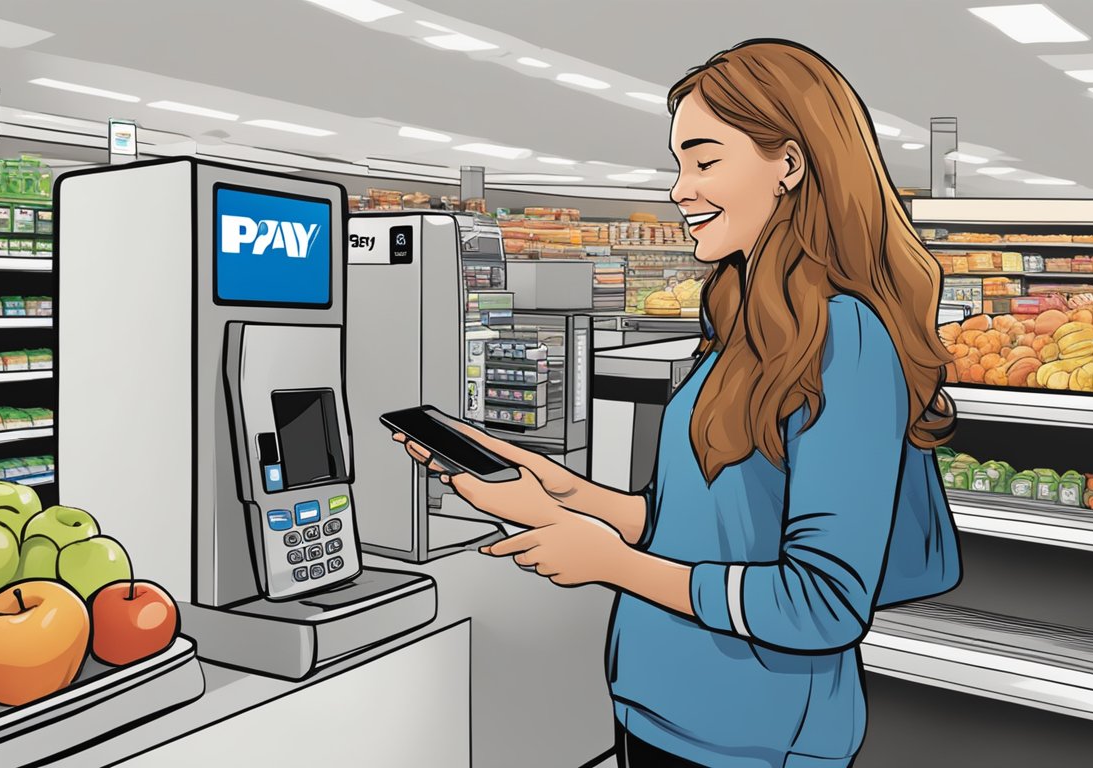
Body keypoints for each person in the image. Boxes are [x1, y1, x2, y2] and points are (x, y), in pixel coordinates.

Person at [394, 38, 961, 768]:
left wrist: (608, 563)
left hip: (756, 739)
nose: (679, 189)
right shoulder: (743, 324)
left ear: (789, 163)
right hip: (659, 708)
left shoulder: (845, 339)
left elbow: (823, 602)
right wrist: (559, 497)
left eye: (704, 159)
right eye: (679, 164)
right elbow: (706, 527)